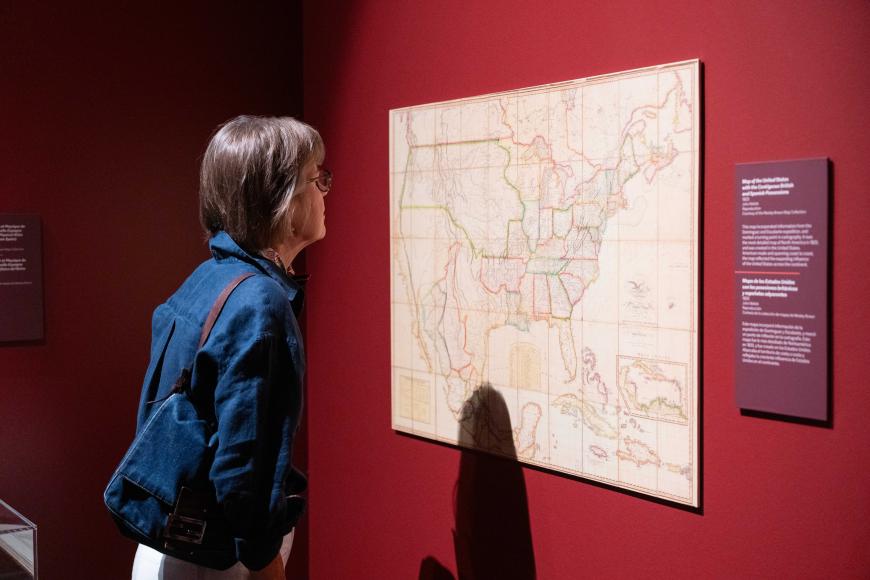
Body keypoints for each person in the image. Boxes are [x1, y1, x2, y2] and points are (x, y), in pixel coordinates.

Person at [129, 115, 329, 580]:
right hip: (221, 559)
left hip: (170, 544)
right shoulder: (261, 302)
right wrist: (267, 567)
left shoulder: (209, 279)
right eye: (316, 178)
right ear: (280, 199)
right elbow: (244, 471)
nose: (324, 193)